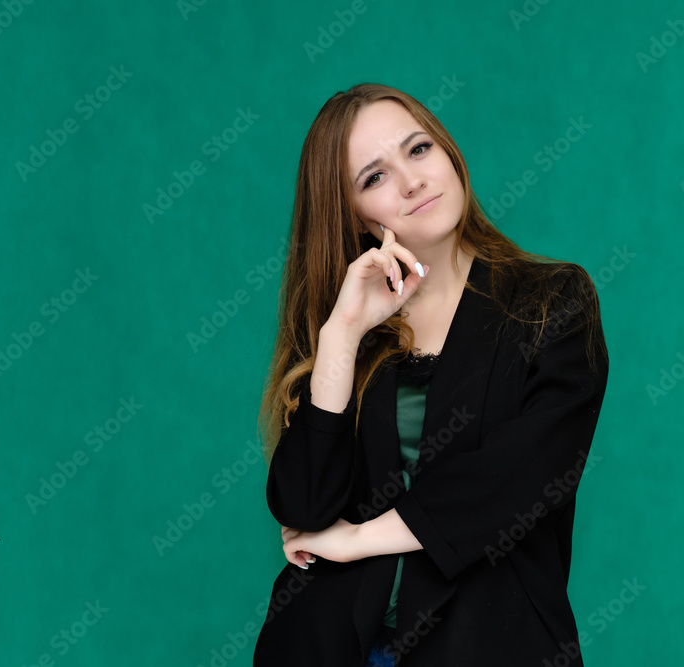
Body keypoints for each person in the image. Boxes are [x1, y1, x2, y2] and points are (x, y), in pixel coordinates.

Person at [252, 83, 609, 666]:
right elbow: (305, 506)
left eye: (418, 149)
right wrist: (342, 336)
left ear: (448, 152)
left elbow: (520, 477)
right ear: (355, 216)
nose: (412, 181)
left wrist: (358, 539)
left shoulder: (552, 301)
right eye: (375, 177)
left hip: (489, 646)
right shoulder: (352, 325)